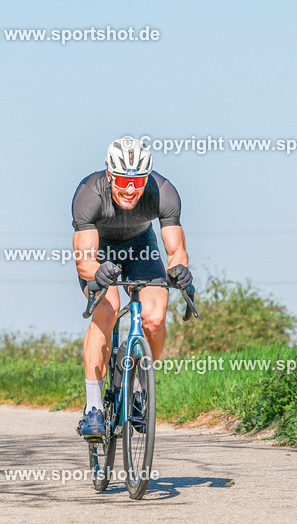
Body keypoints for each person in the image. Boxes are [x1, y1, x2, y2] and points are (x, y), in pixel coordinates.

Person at [71, 136, 192, 437]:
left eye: (137, 181)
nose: (129, 189)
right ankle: (94, 408)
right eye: (123, 180)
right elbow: (84, 259)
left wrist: (179, 270)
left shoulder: (163, 192)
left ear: (146, 178)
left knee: (154, 317)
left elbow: (176, 250)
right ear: (110, 175)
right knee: (106, 311)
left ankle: (139, 386)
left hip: (141, 247)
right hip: (100, 250)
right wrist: (98, 272)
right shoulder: (89, 193)